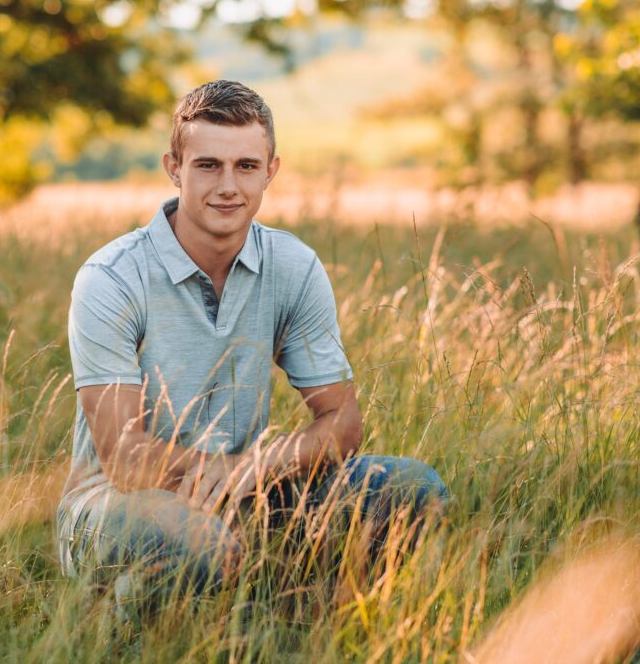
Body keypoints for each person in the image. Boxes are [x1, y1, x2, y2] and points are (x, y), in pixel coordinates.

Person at [55, 80, 448, 616]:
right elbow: (125, 459)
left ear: (271, 170)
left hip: (246, 493)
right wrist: (219, 476)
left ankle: (317, 622)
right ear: (174, 167)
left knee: (410, 489)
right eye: (208, 165)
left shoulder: (292, 266)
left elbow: (343, 422)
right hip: (113, 506)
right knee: (194, 545)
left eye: (245, 166)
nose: (228, 186)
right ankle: (118, 626)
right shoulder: (112, 277)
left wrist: (248, 469)